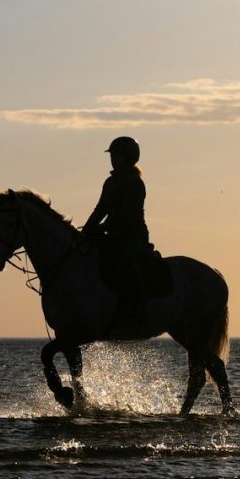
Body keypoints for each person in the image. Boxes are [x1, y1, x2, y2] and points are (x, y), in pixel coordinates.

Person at [82, 136, 153, 334]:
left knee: (125, 262)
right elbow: (100, 208)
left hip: (132, 236)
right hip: (111, 234)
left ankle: (135, 308)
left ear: (127, 157)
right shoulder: (110, 182)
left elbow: (129, 214)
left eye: (116, 155)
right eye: (112, 155)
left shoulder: (135, 183)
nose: (113, 159)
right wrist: (87, 228)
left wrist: (104, 227)